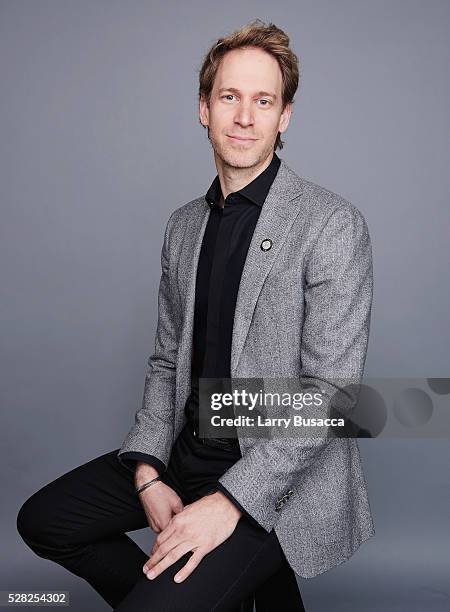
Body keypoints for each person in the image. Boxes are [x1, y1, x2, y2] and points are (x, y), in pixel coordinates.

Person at [16, 19, 375, 611]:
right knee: (45, 521)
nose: (244, 116)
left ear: (284, 117)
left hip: (272, 480)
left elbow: (332, 395)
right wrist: (149, 471)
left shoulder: (330, 225)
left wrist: (228, 503)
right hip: (186, 455)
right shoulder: (184, 227)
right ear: (204, 108)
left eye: (264, 101)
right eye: (229, 97)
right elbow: (165, 361)